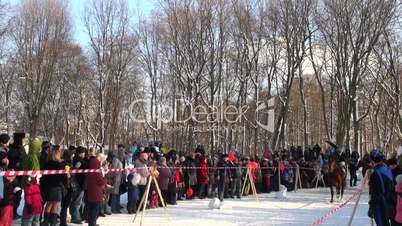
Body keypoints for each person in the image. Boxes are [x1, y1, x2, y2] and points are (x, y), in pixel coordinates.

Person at [368, 150, 395, 226]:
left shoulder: (376, 174)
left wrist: (372, 207)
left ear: (373, 161)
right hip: (390, 202)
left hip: (381, 205)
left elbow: (376, 193)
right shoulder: (386, 168)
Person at [41, 145, 66, 226]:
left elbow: (43, 177)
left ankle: (46, 221)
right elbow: (62, 177)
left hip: (48, 186)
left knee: (49, 204)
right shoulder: (58, 164)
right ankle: (53, 222)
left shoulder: (46, 163)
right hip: (56, 186)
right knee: (54, 205)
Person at [86, 151, 107, 226]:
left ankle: (92, 223)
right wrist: (105, 178)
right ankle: (92, 223)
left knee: (92, 207)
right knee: (95, 208)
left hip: (91, 189)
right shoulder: (96, 166)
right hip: (96, 190)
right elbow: (100, 181)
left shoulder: (92, 164)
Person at [69, 146, 87, 224]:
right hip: (79, 183)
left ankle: (77, 215)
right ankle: (75, 217)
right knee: (77, 201)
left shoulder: (77, 159)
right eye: (83, 153)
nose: (84, 154)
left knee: (78, 201)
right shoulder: (79, 161)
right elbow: (85, 166)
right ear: (81, 153)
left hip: (79, 182)